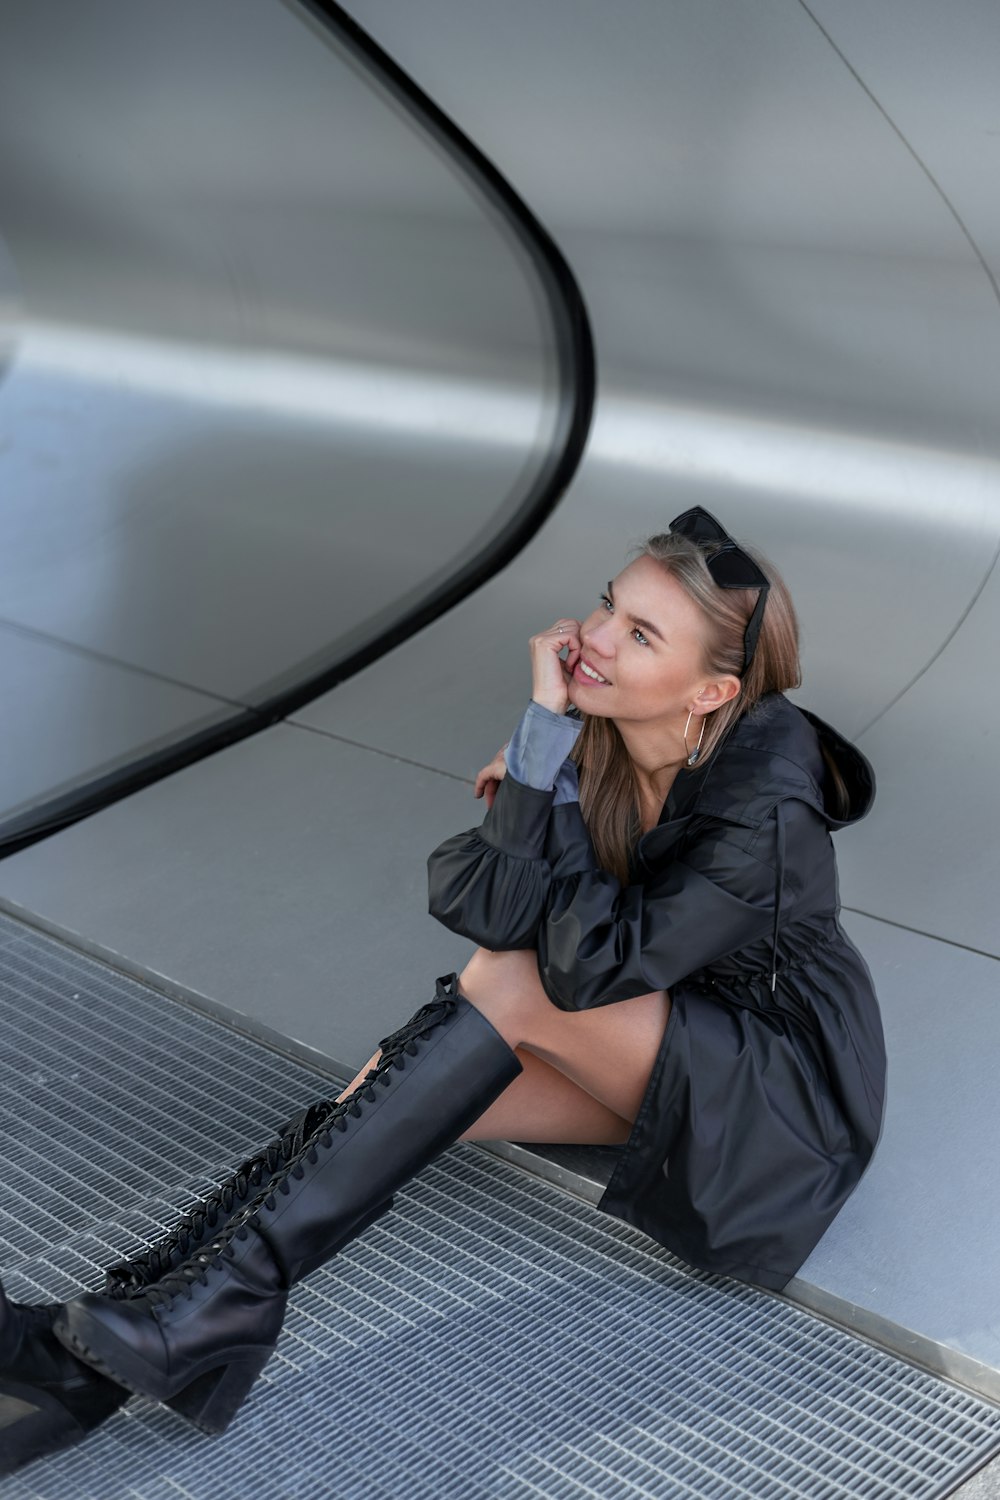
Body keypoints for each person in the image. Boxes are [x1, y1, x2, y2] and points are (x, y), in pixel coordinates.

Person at [0, 506, 886, 1474]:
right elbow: (483, 900)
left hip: (775, 1102)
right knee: (404, 1080)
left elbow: (576, 970)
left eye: (639, 634)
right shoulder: (598, 739)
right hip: (650, 1042)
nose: (591, 641)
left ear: (713, 690)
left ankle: (205, 1314)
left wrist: (537, 779)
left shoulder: (765, 806)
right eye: (606, 607)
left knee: (508, 990)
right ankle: (129, 1325)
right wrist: (544, 755)